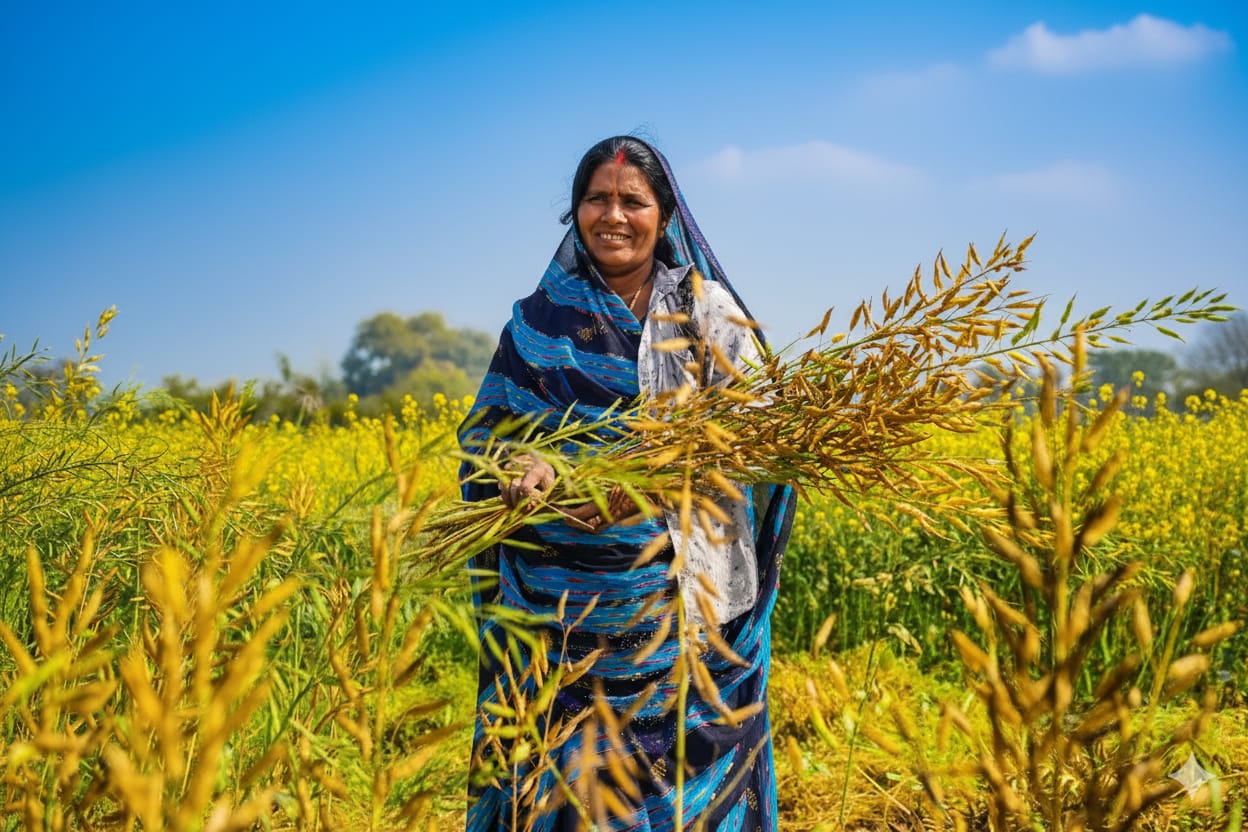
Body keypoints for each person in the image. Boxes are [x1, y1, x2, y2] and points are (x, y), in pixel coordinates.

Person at [459, 136, 795, 831]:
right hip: (555, 619)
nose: (613, 216)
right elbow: (485, 440)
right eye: (596, 199)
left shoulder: (707, 315)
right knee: (562, 793)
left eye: (631, 201)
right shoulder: (533, 323)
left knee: (671, 789)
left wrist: (650, 485)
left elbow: (765, 437)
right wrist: (521, 469)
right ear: (575, 211)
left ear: (664, 216)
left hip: (678, 609)